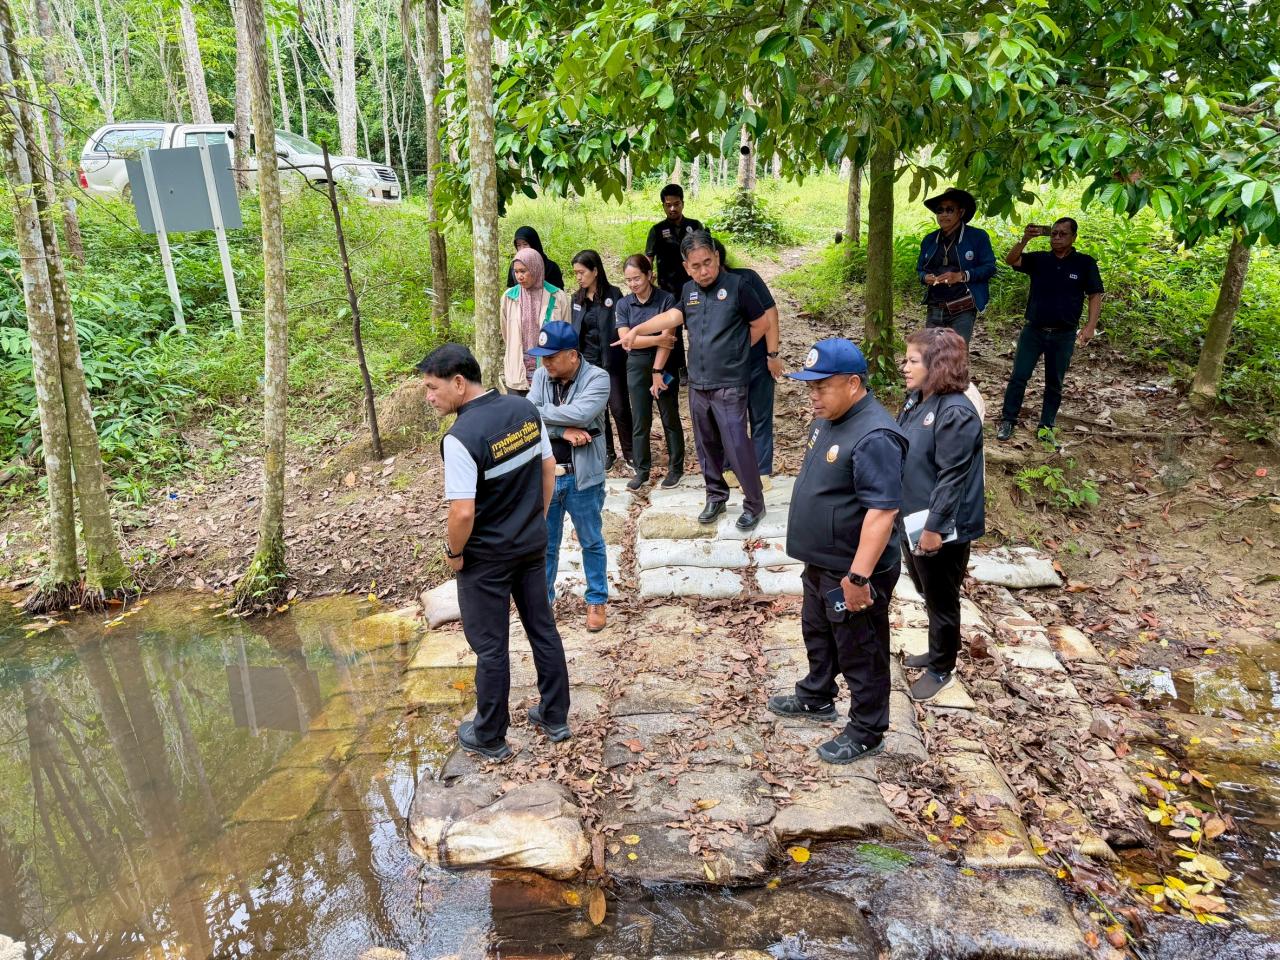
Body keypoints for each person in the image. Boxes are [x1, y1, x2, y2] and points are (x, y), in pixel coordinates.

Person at [417, 343, 571, 761]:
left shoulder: (460, 437)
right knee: (542, 628)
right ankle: (555, 715)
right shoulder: (524, 411)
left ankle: (489, 735)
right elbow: (547, 469)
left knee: (490, 647)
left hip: (486, 560)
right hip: (531, 545)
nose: (429, 397)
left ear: (459, 382)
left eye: (433, 388)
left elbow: (463, 511)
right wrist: (535, 520)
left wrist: (453, 552)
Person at [767, 339, 906, 765]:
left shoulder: (876, 435)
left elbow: (882, 513)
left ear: (853, 383)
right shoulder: (827, 418)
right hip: (823, 560)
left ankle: (867, 728)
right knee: (819, 630)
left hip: (853, 568)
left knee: (861, 648)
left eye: (822, 387)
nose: (813, 395)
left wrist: (859, 578)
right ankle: (817, 695)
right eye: (810, 386)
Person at [617, 231, 768, 530]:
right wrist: (637, 330)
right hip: (699, 383)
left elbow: (761, 322)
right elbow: (671, 319)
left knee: (737, 443)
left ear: (717, 258)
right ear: (686, 267)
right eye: (696, 266)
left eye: (708, 262)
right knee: (706, 444)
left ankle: (754, 503)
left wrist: (736, 352)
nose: (703, 270)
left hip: (729, 382)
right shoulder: (689, 292)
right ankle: (716, 495)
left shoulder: (738, 286)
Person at [897, 328, 985, 702]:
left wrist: (934, 528)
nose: (904, 367)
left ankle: (942, 667)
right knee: (925, 589)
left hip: (940, 526)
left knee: (942, 596)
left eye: (912, 361)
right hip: (910, 517)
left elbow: (953, 476)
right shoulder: (916, 399)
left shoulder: (956, 412)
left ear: (937, 365)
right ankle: (936, 648)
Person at [525, 321, 613, 632]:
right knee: (545, 544)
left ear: (573, 355)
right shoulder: (540, 376)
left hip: (583, 478)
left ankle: (597, 600)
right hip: (548, 476)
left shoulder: (598, 378)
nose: (545, 362)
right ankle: (543, 604)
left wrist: (542, 413)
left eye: (552, 356)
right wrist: (563, 430)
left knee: (591, 541)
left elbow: (582, 414)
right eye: (543, 357)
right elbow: (527, 414)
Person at [996, 217, 1104, 441]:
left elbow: (1095, 295)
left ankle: (1046, 427)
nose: (1056, 238)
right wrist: (1025, 239)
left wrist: (1090, 326)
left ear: (1074, 237)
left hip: (1063, 334)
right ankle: (1007, 421)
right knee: (1019, 376)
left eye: (1063, 234)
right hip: (1033, 330)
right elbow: (1011, 260)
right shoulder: (1039, 259)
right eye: (1054, 233)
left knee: (1054, 383)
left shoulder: (1084, 263)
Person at [713, 237, 782, 480]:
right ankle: (731, 468)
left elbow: (770, 314)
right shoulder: (702, 290)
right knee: (732, 419)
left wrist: (772, 354)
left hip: (757, 359)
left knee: (760, 416)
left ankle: (762, 472)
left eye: (709, 263)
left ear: (719, 260)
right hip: (727, 368)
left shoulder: (747, 278)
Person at [615, 254, 685, 490]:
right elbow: (626, 340)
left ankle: (676, 468)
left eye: (637, 278)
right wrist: (657, 338)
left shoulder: (667, 300)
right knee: (640, 419)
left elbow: (669, 340)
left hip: (664, 363)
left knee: (669, 416)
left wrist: (657, 367)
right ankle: (642, 470)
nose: (634, 284)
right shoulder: (624, 304)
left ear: (649, 275)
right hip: (635, 365)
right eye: (629, 280)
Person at [570, 250, 633, 471]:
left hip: (613, 362)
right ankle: (607, 451)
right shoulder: (576, 300)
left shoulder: (614, 295)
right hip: (588, 364)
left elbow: (624, 325)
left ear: (595, 271)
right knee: (597, 411)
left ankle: (630, 453)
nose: (578, 277)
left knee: (619, 408)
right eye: (575, 273)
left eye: (581, 272)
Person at [916, 188, 996, 344]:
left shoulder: (977, 237)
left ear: (961, 212)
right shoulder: (930, 240)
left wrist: (961, 275)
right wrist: (925, 277)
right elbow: (920, 269)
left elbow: (990, 267)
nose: (944, 214)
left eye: (949, 209)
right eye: (940, 210)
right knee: (931, 356)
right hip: (935, 306)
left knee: (956, 359)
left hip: (962, 307)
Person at [501, 247, 571, 395]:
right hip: (518, 366)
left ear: (535, 268)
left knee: (546, 413)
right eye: (516, 271)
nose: (519, 276)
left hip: (549, 364)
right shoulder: (509, 297)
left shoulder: (557, 296)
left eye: (523, 271)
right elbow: (506, 331)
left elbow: (566, 332)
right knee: (520, 414)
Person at [645, 183, 704, 297]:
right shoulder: (656, 230)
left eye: (676, 204)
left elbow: (706, 252)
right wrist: (647, 281)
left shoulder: (695, 226)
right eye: (668, 205)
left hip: (694, 285)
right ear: (663, 206)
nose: (673, 209)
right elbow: (649, 258)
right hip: (667, 289)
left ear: (683, 204)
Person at [505, 225, 565, 291]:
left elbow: (558, 295)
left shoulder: (551, 267)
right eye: (518, 245)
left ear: (534, 244)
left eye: (525, 244)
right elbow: (511, 292)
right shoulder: (515, 266)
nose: (522, 249)